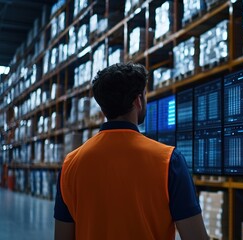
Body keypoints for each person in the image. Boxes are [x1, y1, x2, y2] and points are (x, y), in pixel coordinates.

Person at [54, 63, 209, 240]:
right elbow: (195, 236)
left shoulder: (71, 164)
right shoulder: (169, 161)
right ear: (138, 101)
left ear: (103, 107)